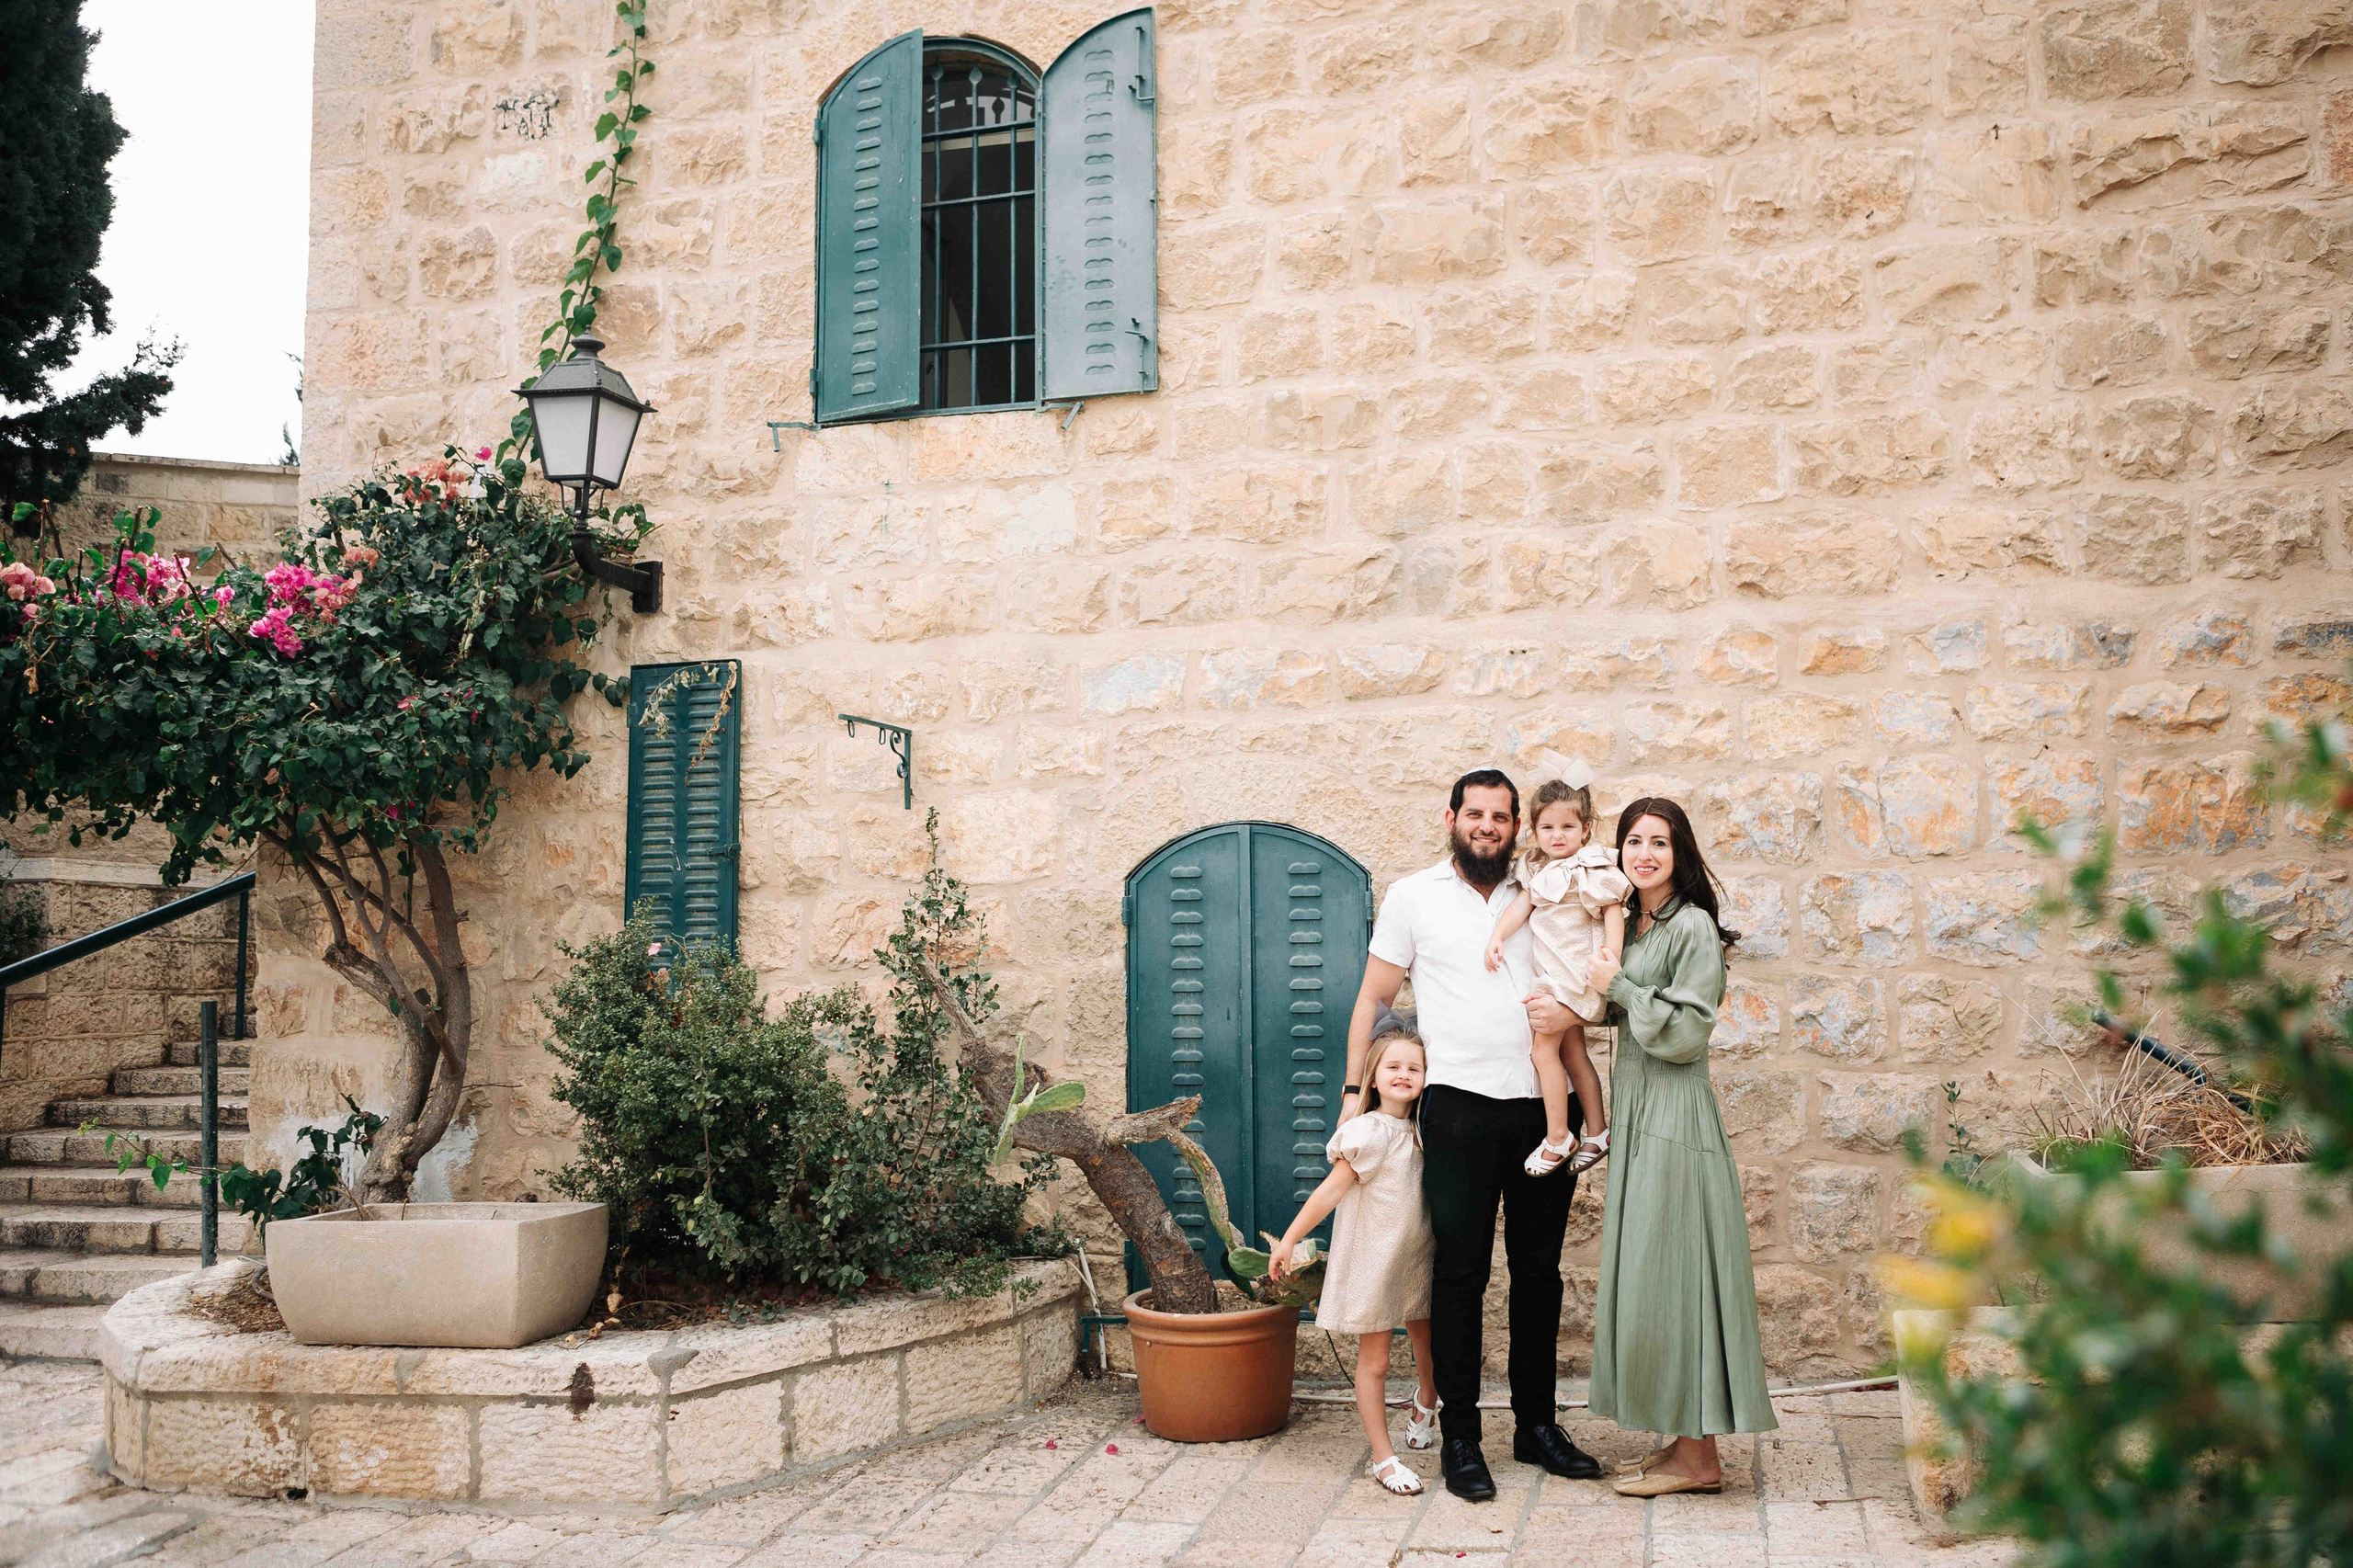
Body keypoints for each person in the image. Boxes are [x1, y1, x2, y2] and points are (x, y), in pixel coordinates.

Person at [1341, 767, 1604, 1502]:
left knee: (1539, 1273)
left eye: (1501, 816)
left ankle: (1537, 1426)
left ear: (1517, 826)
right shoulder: (1413, 896)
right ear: (1452, 816)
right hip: (1456, 1109)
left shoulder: (1544, 887)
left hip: (1541, 1115)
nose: (1488, 826)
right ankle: (1461, 1437)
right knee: (1459, 1276)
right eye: (1476, 814)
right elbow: (1373, 998)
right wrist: (1350, 1098)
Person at [1586, 797, 1779, 1497]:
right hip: (1641, 1115)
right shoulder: (1634, 925)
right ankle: (1683, 1444)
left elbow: (1685, 1033)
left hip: (1674, 1114)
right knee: (1658, 1277)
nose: (1644, 854)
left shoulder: (1691, 926)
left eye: (1658, 843)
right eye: (1632, 841)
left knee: (1680, 1273)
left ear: (1681, 853)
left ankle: (1699, 1459)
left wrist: (1618, 985)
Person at [1268, 1011, 1439, 1494]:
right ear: (1374, 1076)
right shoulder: (1366, 1132)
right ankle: (1384, 1458)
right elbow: (1328, 1193)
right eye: (1393, 1067)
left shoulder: (1428, 1131)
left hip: (1421, 1255)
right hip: (1376, 1258)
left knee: (1429, 1339)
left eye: (1414, 1067)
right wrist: (1288, 1240)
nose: (1404, 1075)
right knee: (1377, 1360)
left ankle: (1427, 1399)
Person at [1483, 769, 1625, 1177]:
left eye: (1567, 826)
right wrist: (1497, 936)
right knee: (1572, 1052)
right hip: (1555, 975)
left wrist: (1610, 959)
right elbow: (1520, 908)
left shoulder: (1593, 868)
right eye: (1547, 827)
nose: (1557, 835)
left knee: (1541, 1051)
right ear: (1534, 830)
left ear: (1586, 828)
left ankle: (1559, 1136)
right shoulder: (1538, 871)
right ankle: (1598, 1131)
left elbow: (1613, 911)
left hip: (1578, 975)